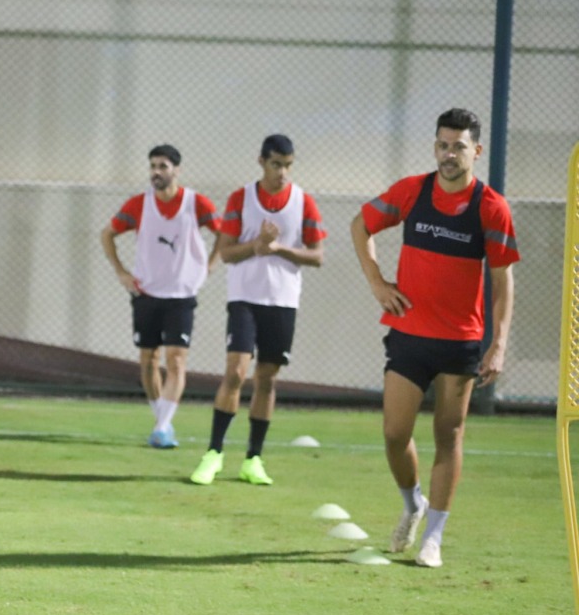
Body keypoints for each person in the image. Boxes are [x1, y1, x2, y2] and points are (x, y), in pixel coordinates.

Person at [350, 108, 518, 568]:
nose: (449, 154)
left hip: (460, 342)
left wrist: (498, 343)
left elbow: (503, 283)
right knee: (393, 433)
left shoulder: (491, 208)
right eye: (443, 144)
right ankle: (413, 505)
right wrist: (378, 282)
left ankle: (434, 537)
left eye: (458, 146)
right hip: (407, 335)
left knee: (449, 434)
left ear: (476, 151)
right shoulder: (411, 192)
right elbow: (360, 226)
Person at [188, 135, 326, 486]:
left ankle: (253, 459)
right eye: (276, 164)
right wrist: (257, 246)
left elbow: (317, 255)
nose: (282, 172)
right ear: (262, 162)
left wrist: (278, 248)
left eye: (288, 165)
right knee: (236, 372)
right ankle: (214, 453)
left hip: (282, 301)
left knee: (267, 378)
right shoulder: (241, 198)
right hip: (245, 298)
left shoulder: (303, 201)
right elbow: (228, 252)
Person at [100, 144, 222, 449]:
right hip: (147, 293)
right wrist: (121, 271)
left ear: (177, 170)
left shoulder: (196, 203)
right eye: (153, 166)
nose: (157, 171)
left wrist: (209, 266)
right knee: (148, 360)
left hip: (181, 294)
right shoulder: (139, 204)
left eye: (163, 166)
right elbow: (107, 234)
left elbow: (225, 232)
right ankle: (161, 421)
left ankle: (163, 426)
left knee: (176, 360)